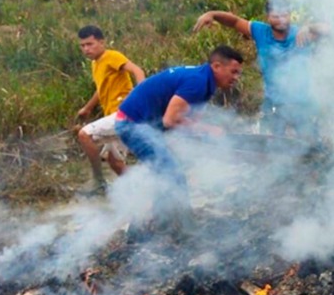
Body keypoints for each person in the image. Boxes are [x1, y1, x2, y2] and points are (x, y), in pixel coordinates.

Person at [192, 0, 326, 140]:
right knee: (270, 144)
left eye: (285, 15)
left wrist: (310, 27)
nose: (281, 20)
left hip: (301, 103)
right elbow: (235, 21)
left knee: (310, 145)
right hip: (273, 103)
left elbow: (332, 30)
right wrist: (212, 14)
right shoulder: (260, 31)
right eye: (276, 16)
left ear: (290, 14)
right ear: (268, 17)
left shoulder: (302, 33)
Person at [113, 45, 244, 190]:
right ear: (217, 66)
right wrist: (208, 129)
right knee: (171, 174)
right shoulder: (198, 82)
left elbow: (189, 120)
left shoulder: (204, 80)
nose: (236, 78)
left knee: (167, 170)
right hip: (132, 123)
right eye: (233, 72)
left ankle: (164, 209)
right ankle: (173, 212)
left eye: (238, 73)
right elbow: (170, 120)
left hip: (144, 123)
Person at [73, 25, 147, 191]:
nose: (86, 49)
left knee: (84, 135)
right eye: (83, 45)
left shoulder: (111, 56)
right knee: (114, 162)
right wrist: (87, 108)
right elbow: (101, 89)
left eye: (90, 44)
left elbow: (137, 70)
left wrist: (140, 94)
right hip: (113, 115)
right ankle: (139, 191)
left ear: (101, 42)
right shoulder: (95, 64)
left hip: (123, 114)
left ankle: (99, 182)